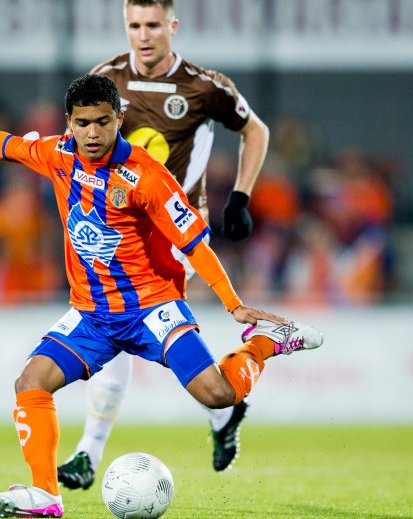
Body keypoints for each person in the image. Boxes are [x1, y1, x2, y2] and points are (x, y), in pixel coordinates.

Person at [0, 74, 321, 519]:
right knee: (30, 382)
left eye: (102, 122)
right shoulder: (58, 153)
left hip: (151, 308)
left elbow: (194, 244)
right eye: (82, 123)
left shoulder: (147, 176)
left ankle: (266, 343)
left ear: (119, 118)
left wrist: (234, 305)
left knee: (217, 395)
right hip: (92, 316)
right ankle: (45, 495)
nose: (92, 133)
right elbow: (3, 144)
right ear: (68, 122)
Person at [55, 0, 272, 490]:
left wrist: (241, 196)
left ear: (172, 26)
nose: (144, 35)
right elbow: (76, 143)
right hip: (115, 229)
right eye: (134, 25)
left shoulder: (204, 87)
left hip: (174, 231)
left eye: (153, 25)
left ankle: (89, 452)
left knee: (116, 322)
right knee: (117, 325)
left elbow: (255, 130)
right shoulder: (106, 78)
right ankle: (222, 414)